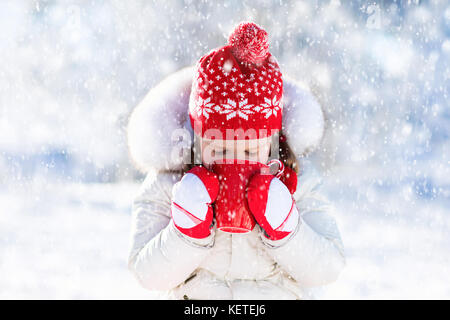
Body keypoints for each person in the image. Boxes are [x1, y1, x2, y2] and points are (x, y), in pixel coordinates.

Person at [126, 22, 345, 299]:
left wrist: (288, 230)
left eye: (249, 152)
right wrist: (185, 232)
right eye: (218, 150)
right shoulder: (167, 185)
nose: (233, 160)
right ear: (197, 136)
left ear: (271, 141)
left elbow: (329, 269)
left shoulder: (297, 181)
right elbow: (146, 275)